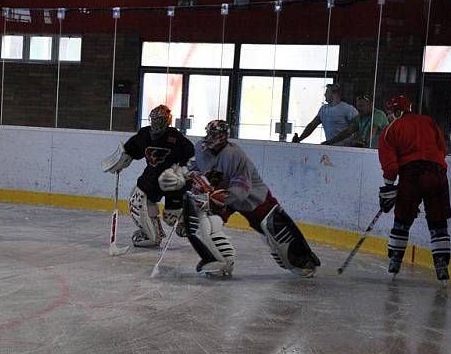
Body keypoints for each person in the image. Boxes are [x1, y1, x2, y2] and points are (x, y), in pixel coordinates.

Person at [158, 119, 320, 276]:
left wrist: (211, 198)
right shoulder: (201, 147)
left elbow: (240, 191)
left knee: (276, 230)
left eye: (213, 134)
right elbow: (193, 167)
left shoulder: (234, 155)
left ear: (222, 137)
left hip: (251, 197)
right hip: (218, 195)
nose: (209, 137)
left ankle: (302, 260)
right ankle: (219, 260)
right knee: (201, 219)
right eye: (208, 133)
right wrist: (178, 176)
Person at [377, 95, 451, 283]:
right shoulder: (429, 122)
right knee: (438, 221)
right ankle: (441, 263)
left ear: (394, 111)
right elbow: (443, 150)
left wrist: (388, 188)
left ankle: (395, 260)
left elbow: (391, 167)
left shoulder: (390, 129)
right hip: (438, 175)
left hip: (411, 176)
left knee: (402, 219)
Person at [102, 105, 195, 247]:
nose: (156, 123)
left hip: (171, 182)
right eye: (154, 119)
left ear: (166, 121)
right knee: (137, 200)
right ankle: (152, 234)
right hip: (152, 179)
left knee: (170, 217)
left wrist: (184, 179)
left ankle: (181, 218)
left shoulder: (176, 138)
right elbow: (129, 151)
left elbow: (191, 161)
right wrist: (119, 162)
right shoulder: (144, 134)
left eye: (160, 119)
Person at [292, 83, 357, 144]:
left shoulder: (348, 109)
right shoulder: (323, 109)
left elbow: (356, 128)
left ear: (334, 94)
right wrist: (299, 139)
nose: (324, 94)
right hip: (330, 147)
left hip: (346, 148)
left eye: (327, 92)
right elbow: (312, 125)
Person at [322, 92, 389, 147]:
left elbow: (372, 130)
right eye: (358, 106)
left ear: (371, 105)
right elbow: (348, 132)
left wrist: (363, 142)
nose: (359, 109)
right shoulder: (360, 117)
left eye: (362, 106)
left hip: (378, 152)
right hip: (366, 150)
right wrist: (330, 142)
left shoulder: (378, 115)